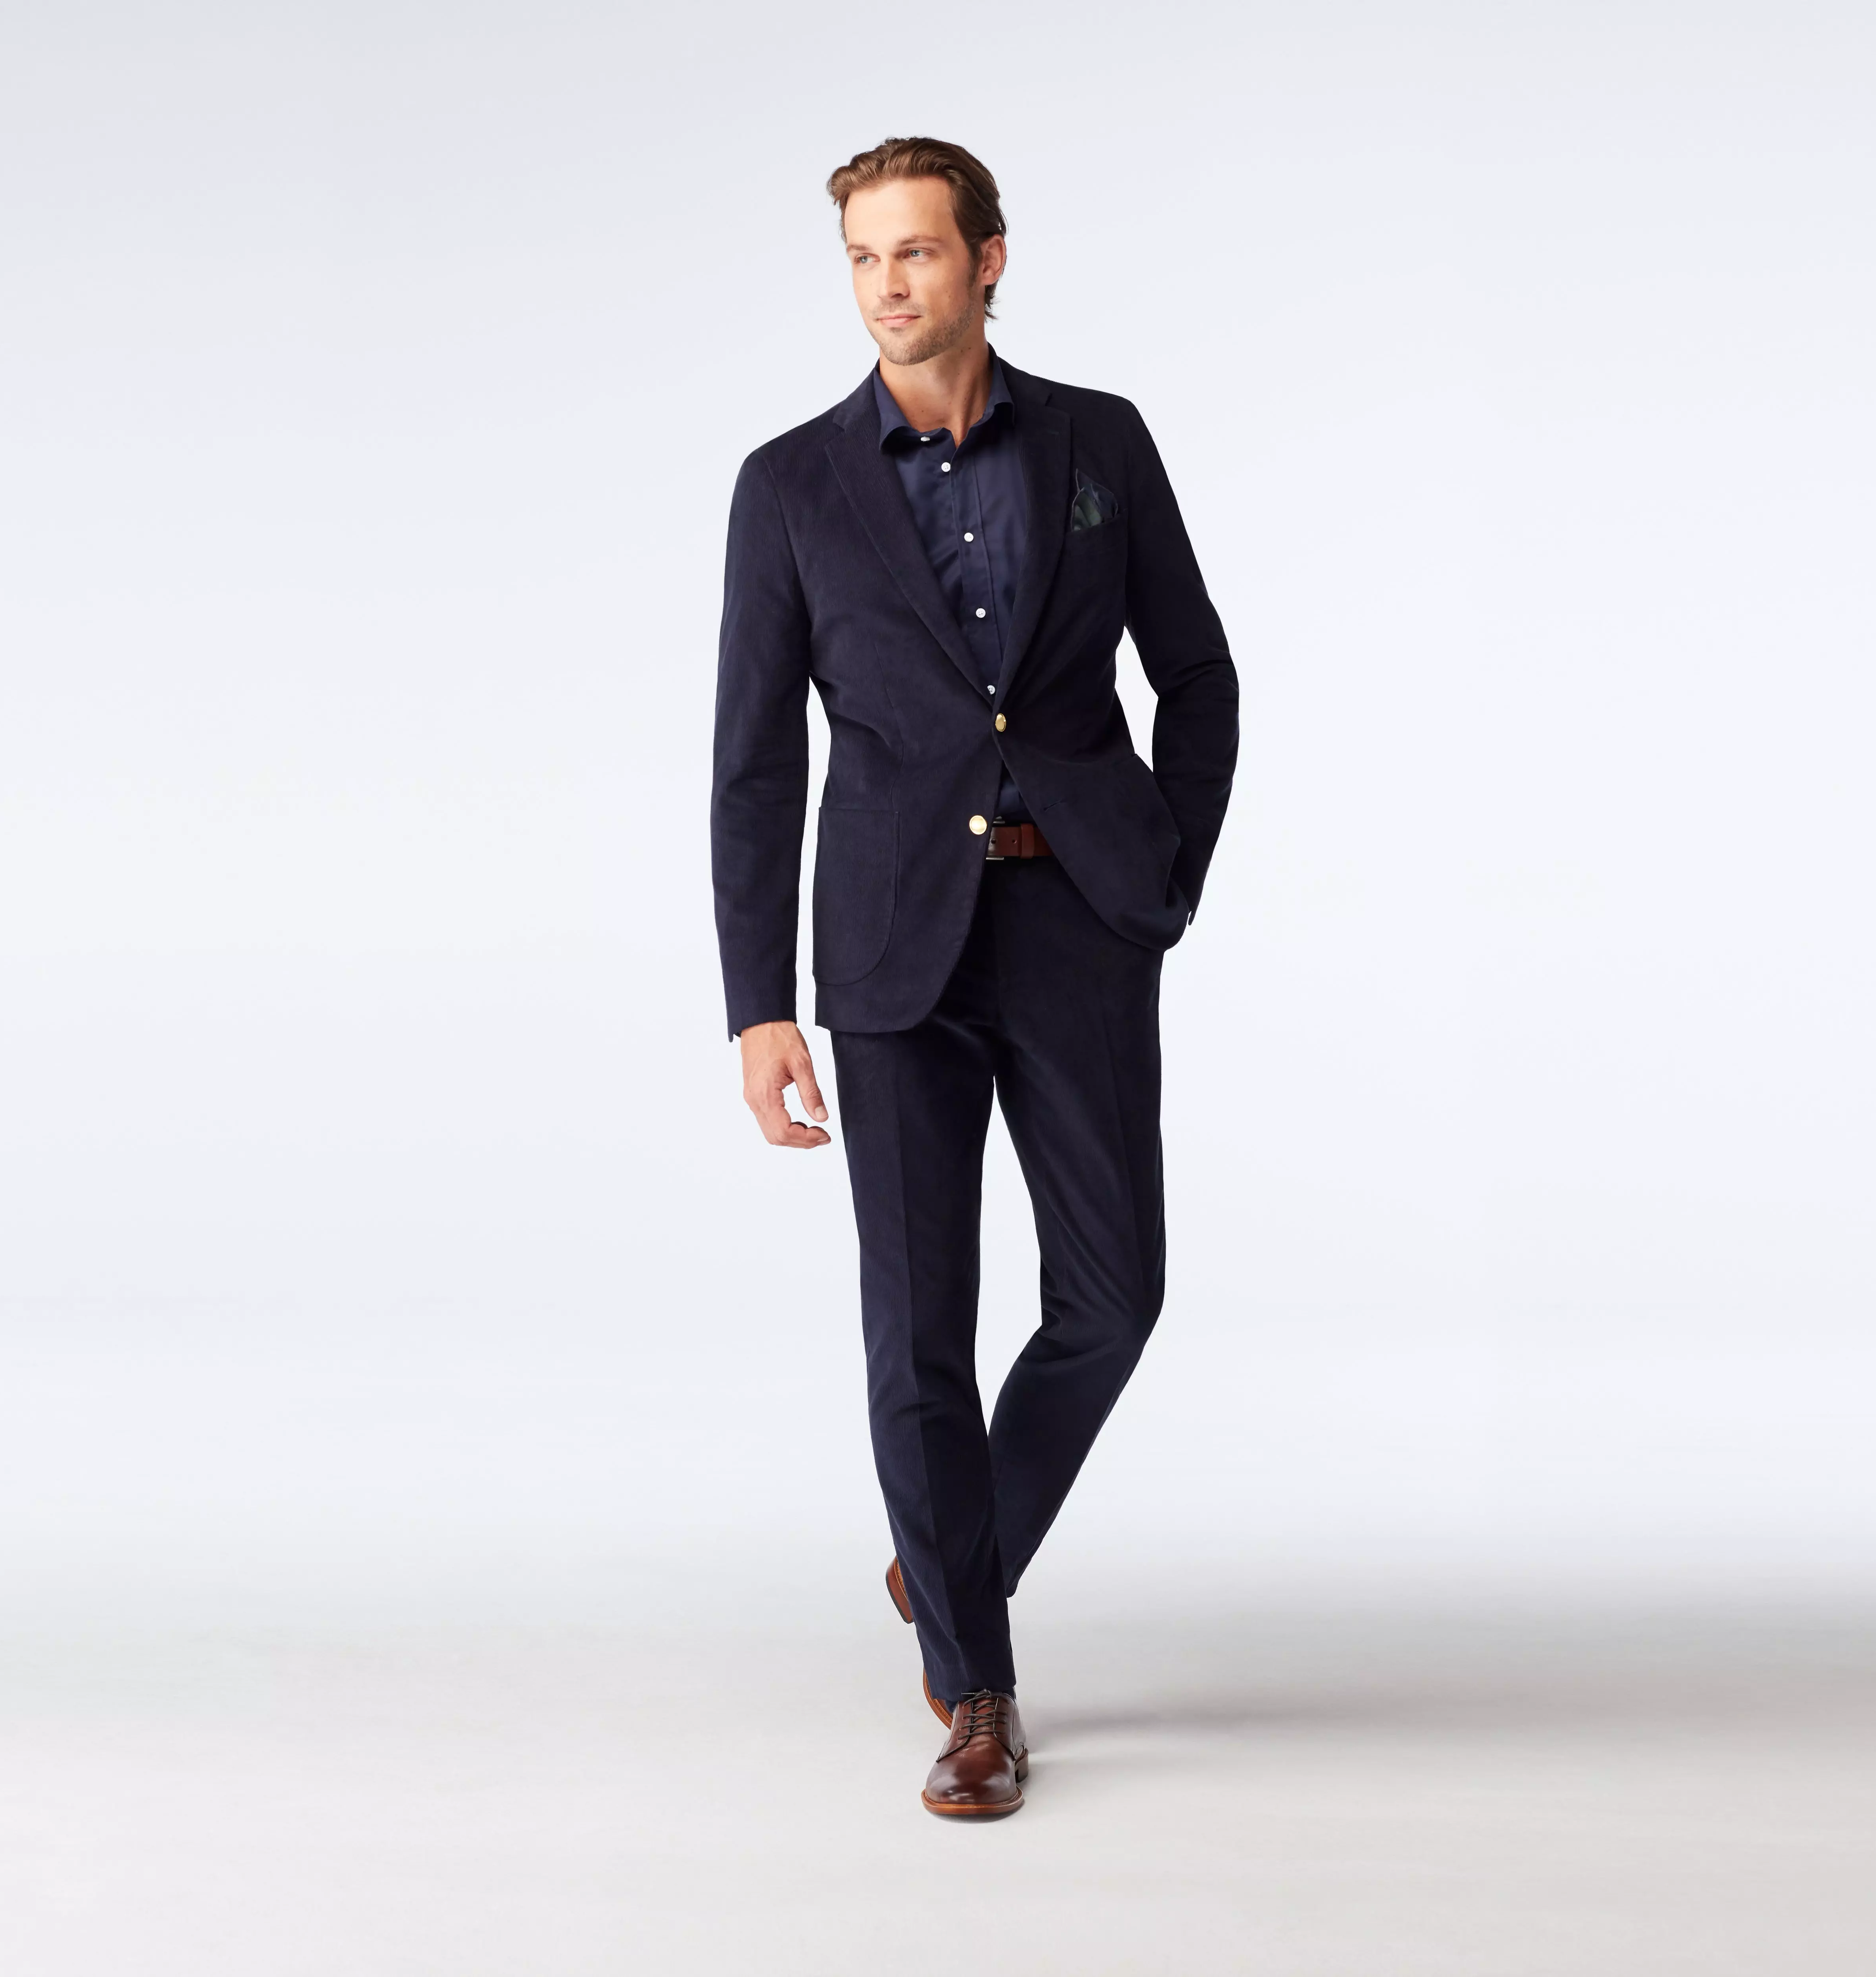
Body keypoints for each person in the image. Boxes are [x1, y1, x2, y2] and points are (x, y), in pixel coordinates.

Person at [709, 135, 1239, 1818]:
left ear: (988, 259)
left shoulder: (1100, 442)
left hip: (1077, 922)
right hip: (891, 951)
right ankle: (978, 1694)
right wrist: (756, 1001)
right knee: (917, 1325)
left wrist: (1163, 869)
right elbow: (752, 763)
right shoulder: (789, 486)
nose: (889, 285)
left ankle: (952, 1547)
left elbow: (1199, 673)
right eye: (864, 258)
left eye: (918, 252)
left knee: (1113, 1296)